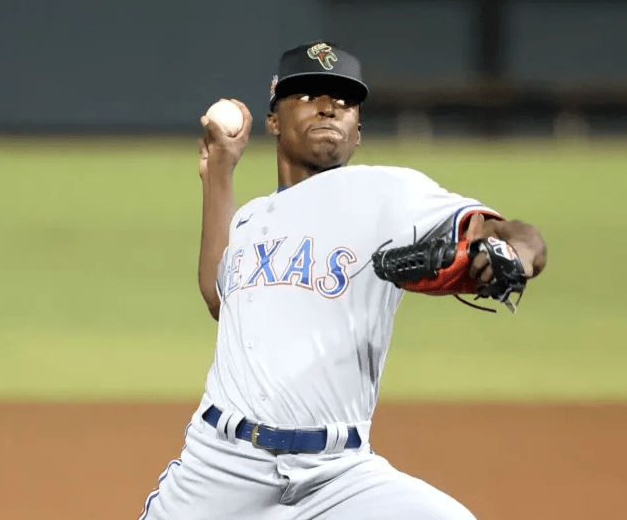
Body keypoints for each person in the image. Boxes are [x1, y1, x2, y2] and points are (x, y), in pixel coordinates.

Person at [138, 41, 546, 520]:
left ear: (357, 133)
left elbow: (511, 233)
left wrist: (512, 254)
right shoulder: (250, 220)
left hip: (339, 476)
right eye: (308, 95)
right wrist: (219, 172)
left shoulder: (389, 192)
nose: (330, 106)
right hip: (222, 468)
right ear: (273, 120)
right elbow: (218, 295)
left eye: (345, 102)